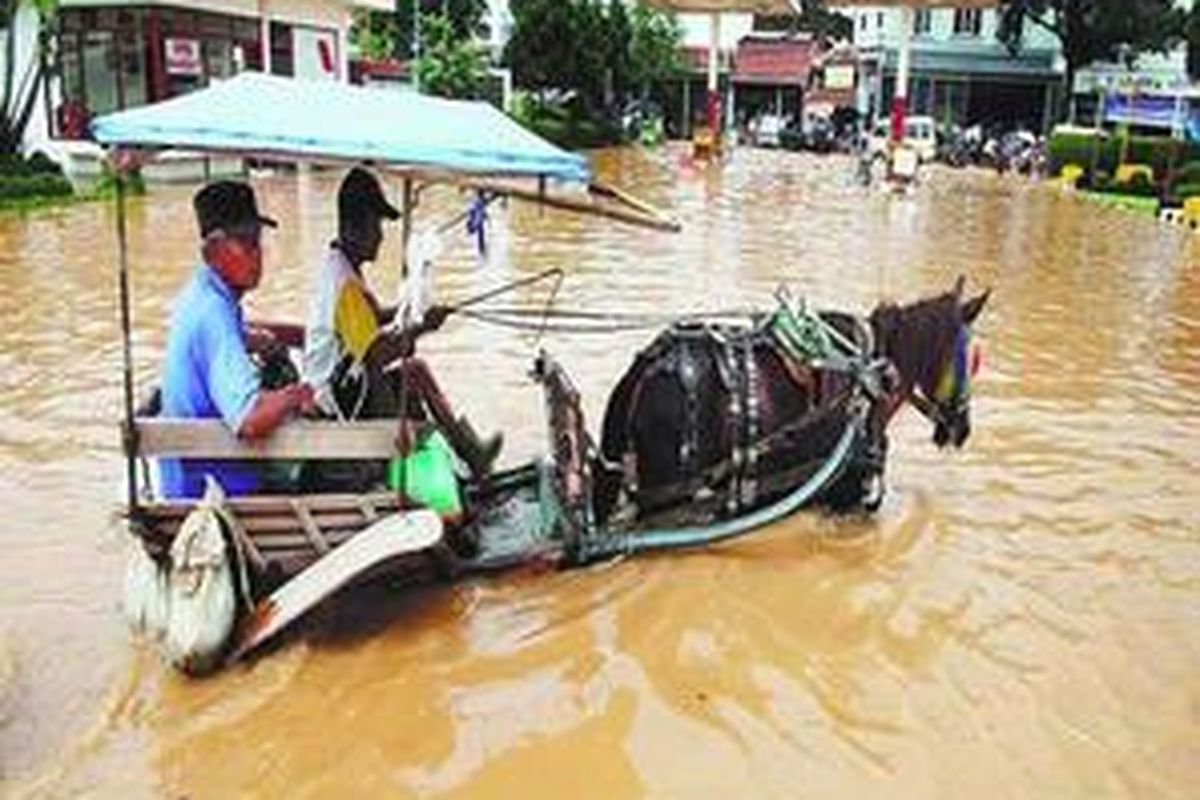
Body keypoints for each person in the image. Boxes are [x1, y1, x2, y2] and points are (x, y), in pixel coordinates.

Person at [303, 166, 500, 484]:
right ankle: (444, 462)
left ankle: (468, 455)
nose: (381, 235)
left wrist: (410, 310)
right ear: (355, 226)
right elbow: (376, 355)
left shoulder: (340, 264)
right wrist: (422, 327)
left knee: (416, 371)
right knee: (411, 372)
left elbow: (370, 318)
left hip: (346, 385)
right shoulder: (345, 286)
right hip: (339, 400)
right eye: (376, 225)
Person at [159, 181, 316, 499]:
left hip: (188, 470)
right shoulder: (214, 314)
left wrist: (252, 340)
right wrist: (296, 395)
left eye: (258, 243)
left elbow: (219, 338)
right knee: (321, 477)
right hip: (213, 489)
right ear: (213, 250)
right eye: (246, 245)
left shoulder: (202, 291)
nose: (258, 256)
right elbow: (250, 420)